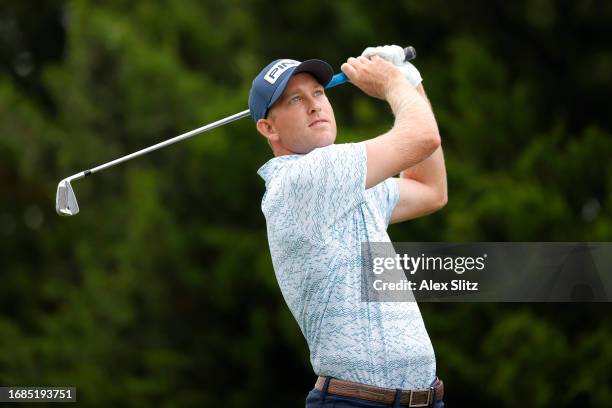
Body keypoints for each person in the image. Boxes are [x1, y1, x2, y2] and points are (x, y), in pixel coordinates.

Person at [249, 45, 447, 408]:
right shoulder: (303, 179)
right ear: (268, 128)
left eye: (319, 93)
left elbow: (429, 190)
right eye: (294, 99)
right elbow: (423, 137)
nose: (314, 105)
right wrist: (393, 84)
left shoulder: (347, 183)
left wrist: (410, 80)